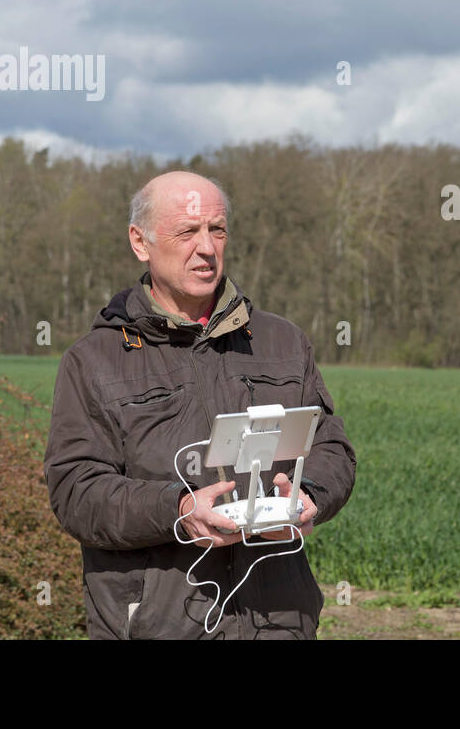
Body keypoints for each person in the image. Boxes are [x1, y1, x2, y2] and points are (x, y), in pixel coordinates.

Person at [43, 170, 355, 638]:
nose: (207, 247)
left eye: (217, 229)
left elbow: (333, 447)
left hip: (277, 621)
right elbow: (76, 493)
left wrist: (308, 495)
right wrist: (179, 510)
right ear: (140, 242)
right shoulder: (94, 360)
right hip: (157, 625)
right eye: (187, 231)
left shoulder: (283, 341)